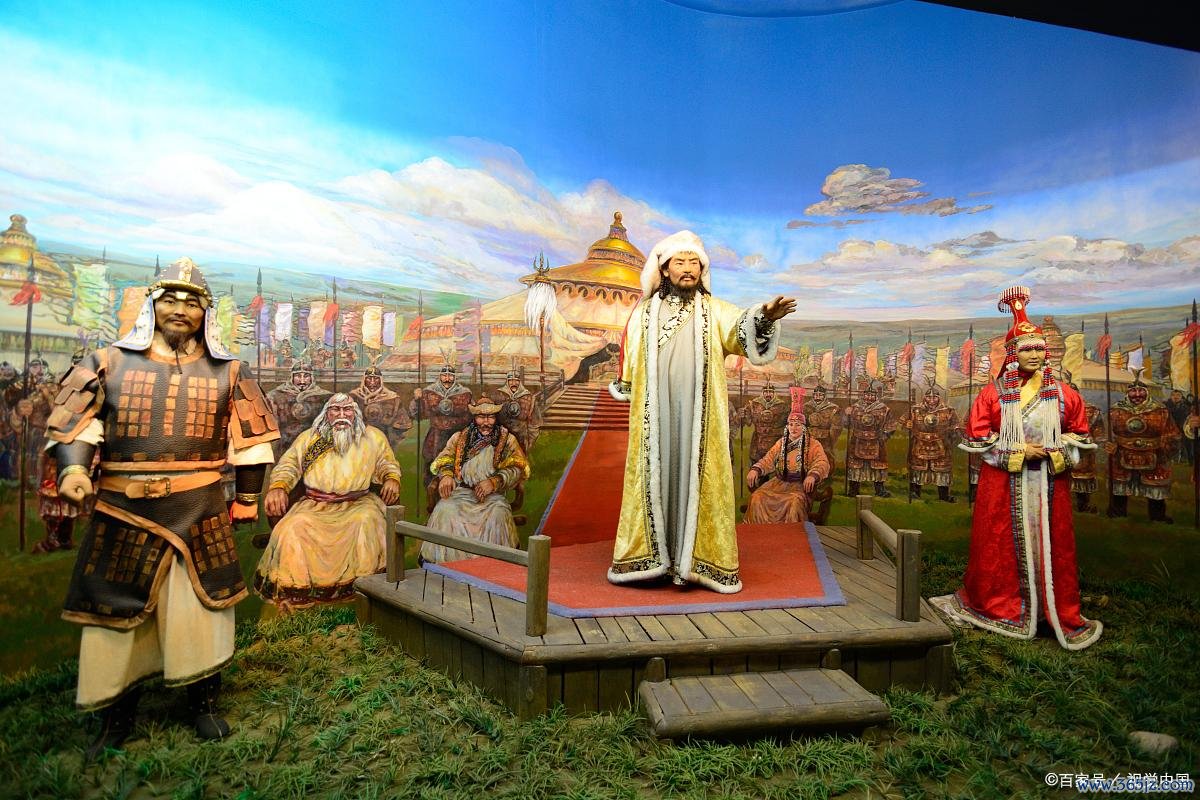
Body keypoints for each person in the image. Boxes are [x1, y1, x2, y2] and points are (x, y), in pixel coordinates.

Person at [44, 258, 280, 756]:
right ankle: (115, 715)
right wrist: (74, 471)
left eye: (192, 302)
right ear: (152, 304)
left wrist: (247, 498)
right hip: (122, 510)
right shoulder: (106, 362)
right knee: (113, 615)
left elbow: (251, 442)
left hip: (200, 510)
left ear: (205, 313)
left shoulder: (230, 371)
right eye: (170, 299)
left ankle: (203, 703)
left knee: (201, 612)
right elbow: (77, 425)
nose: (180, 309)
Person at [607, 230, 794, 593]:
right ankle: (653, 560)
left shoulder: (714, 311)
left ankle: (695, 563)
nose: (688, 269)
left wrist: (765, 318)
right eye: (680, 262)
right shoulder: (643, 314)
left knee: (697, 477)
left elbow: (741, 328)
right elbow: (630, 365)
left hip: (700, 417)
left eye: (694, 262)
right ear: (665, 269)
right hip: (656, 418)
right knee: (656, 476)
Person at [934, 286, 1101, 650]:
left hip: (1050, 484)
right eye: (1027, 349)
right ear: (1012, 354)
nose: (1034, 355)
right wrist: (1019, 451)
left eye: (1039, 349)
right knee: (998, 543)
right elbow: (978, 438)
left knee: (1054, 544)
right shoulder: (992, 395)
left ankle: (1050, 608)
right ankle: (1002, 604)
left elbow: (1080, 435)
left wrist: (1055, 450)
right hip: (1003, 484)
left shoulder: (1065, 395)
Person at [255, 394, 402, 609]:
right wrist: (278, 487)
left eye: (347, 410)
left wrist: (391, 479)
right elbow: (289, 466)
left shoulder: (373, 437)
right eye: (336, 410)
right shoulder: (310, 438)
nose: (342, 415)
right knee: (293, 527)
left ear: (355, 413)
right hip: (315, 505)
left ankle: (363, 590)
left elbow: (387, 464)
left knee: (367, 521)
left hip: (358, 504)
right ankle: (298, 593)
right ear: (327, 413)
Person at [420, 397, 529, 564]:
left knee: (499, 514)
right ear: (475, 417)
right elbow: (445, 459)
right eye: (481, 417)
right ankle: (448, 566)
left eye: (490, 417)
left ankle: (493, 567)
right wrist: (447, 475)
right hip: (461, 494)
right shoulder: (459, 438)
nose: (486, 422)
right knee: (445, 510)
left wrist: (495, 482)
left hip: (492, 498)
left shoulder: (507, 440)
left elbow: (517, 468)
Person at [744, 394, 830, 525]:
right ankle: (760, 532)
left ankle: (791, 534)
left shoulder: (813, 444)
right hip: (778, 483)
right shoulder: (782, 443)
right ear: (787, 427)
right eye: (791, 424)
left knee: (793, 501)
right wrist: (756, 469)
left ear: (804, 427)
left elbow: (822, 462)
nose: (794, 428)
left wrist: (813, 475)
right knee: (757, 497)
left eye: (797, 425)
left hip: (799, 485)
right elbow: (768, 459)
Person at [1107, 374, 1179, 522]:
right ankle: (1118, 512)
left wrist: (1164, 446)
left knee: (1155, 485)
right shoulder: (1116, 410)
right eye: (1133, 391)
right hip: (1122, 453)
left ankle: (1157, 516)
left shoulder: (1160, 410)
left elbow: (1171, 432)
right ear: (1127, 393)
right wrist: (1110, 444)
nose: (1137, 395)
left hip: (1153, 453)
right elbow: (1106, 431)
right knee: (1120, 484)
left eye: (1141, 391)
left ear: (1147, 392)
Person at [903, 381, 960, 502]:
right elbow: (903, 421)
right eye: (929, 397)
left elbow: (956, 425)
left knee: (942, 469)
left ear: (939, 398)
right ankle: (915, 492)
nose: (931, 400)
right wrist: (907, 424)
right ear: (925, 397)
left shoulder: (948, 410)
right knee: (918, 468)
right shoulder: (915, 409)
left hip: (941, 443)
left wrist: (952, 432)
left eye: (934, 397)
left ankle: (943, 495)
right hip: (920, 442)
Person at [409, 363, 474, 464]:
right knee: (434, 462)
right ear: (440, 376)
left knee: (458, 461)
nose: (447, 379)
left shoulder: (464, 393)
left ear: (455, 377)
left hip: (457, 434)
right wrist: (417, 400)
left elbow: (470, 415)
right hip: (436, 435)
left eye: (450, 376)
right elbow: (418, 414)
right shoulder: (429, 392)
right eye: (444, 375)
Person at [267, 357, 331, 453]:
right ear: (291, 377)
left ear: (312, 378)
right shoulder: (275, 396)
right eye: (297, 376)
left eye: (306, 376)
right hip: (284, 445)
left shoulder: (323, 397)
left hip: (312, 445)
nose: (302, 381)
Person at [844, 379, 897, 497]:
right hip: (857, 440)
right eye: (867, 395)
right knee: (855, 465)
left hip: (876, 440)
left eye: (872, 395)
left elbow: (891, 424)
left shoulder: (884, 409)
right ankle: (853, 490)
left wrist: (884, 435)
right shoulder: (855, 407)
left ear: (876, 396)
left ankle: (880, 490)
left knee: (878, 465)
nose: (869, 397)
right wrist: (846, 415)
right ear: (863, 395)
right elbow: (846, 425)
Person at [1065, 374, 1105, 513]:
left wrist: (1094, 442)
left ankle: (1083, 505)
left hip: (1083, 448)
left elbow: (1098, 430)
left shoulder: (1091, 410)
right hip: (1060, 447)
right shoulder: (1053, 408)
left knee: (1082, 477)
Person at [350, 364, 413, 448]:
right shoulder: (354, 396)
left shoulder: (392, 398)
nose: (372, 382)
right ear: (364, 380)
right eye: (369, 378)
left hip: (385, 439)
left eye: (376, 378)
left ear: (381, 380)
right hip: (360, 440)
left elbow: (402, 423)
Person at [493, 369, 543, 457]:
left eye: (516, 380)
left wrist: (530, 440)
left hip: (521, 435)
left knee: (520, 459)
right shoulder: (498, 395)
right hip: (502, 434)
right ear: (507, 382)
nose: (514, 383)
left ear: (520, 382)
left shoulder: (529, 397)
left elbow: (534, 422)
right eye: (511, 381)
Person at [739, 379, 790, 463]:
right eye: (766, 392)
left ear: (774, 393)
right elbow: (747, 422)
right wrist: (743, 415)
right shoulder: (754, 405)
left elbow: (787, 423)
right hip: (758, 441)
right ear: (762, 393)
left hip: (775, 441)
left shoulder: (782, 406)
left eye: (770, 392)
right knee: (757, 464)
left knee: (775, 464)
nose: (768, 394)